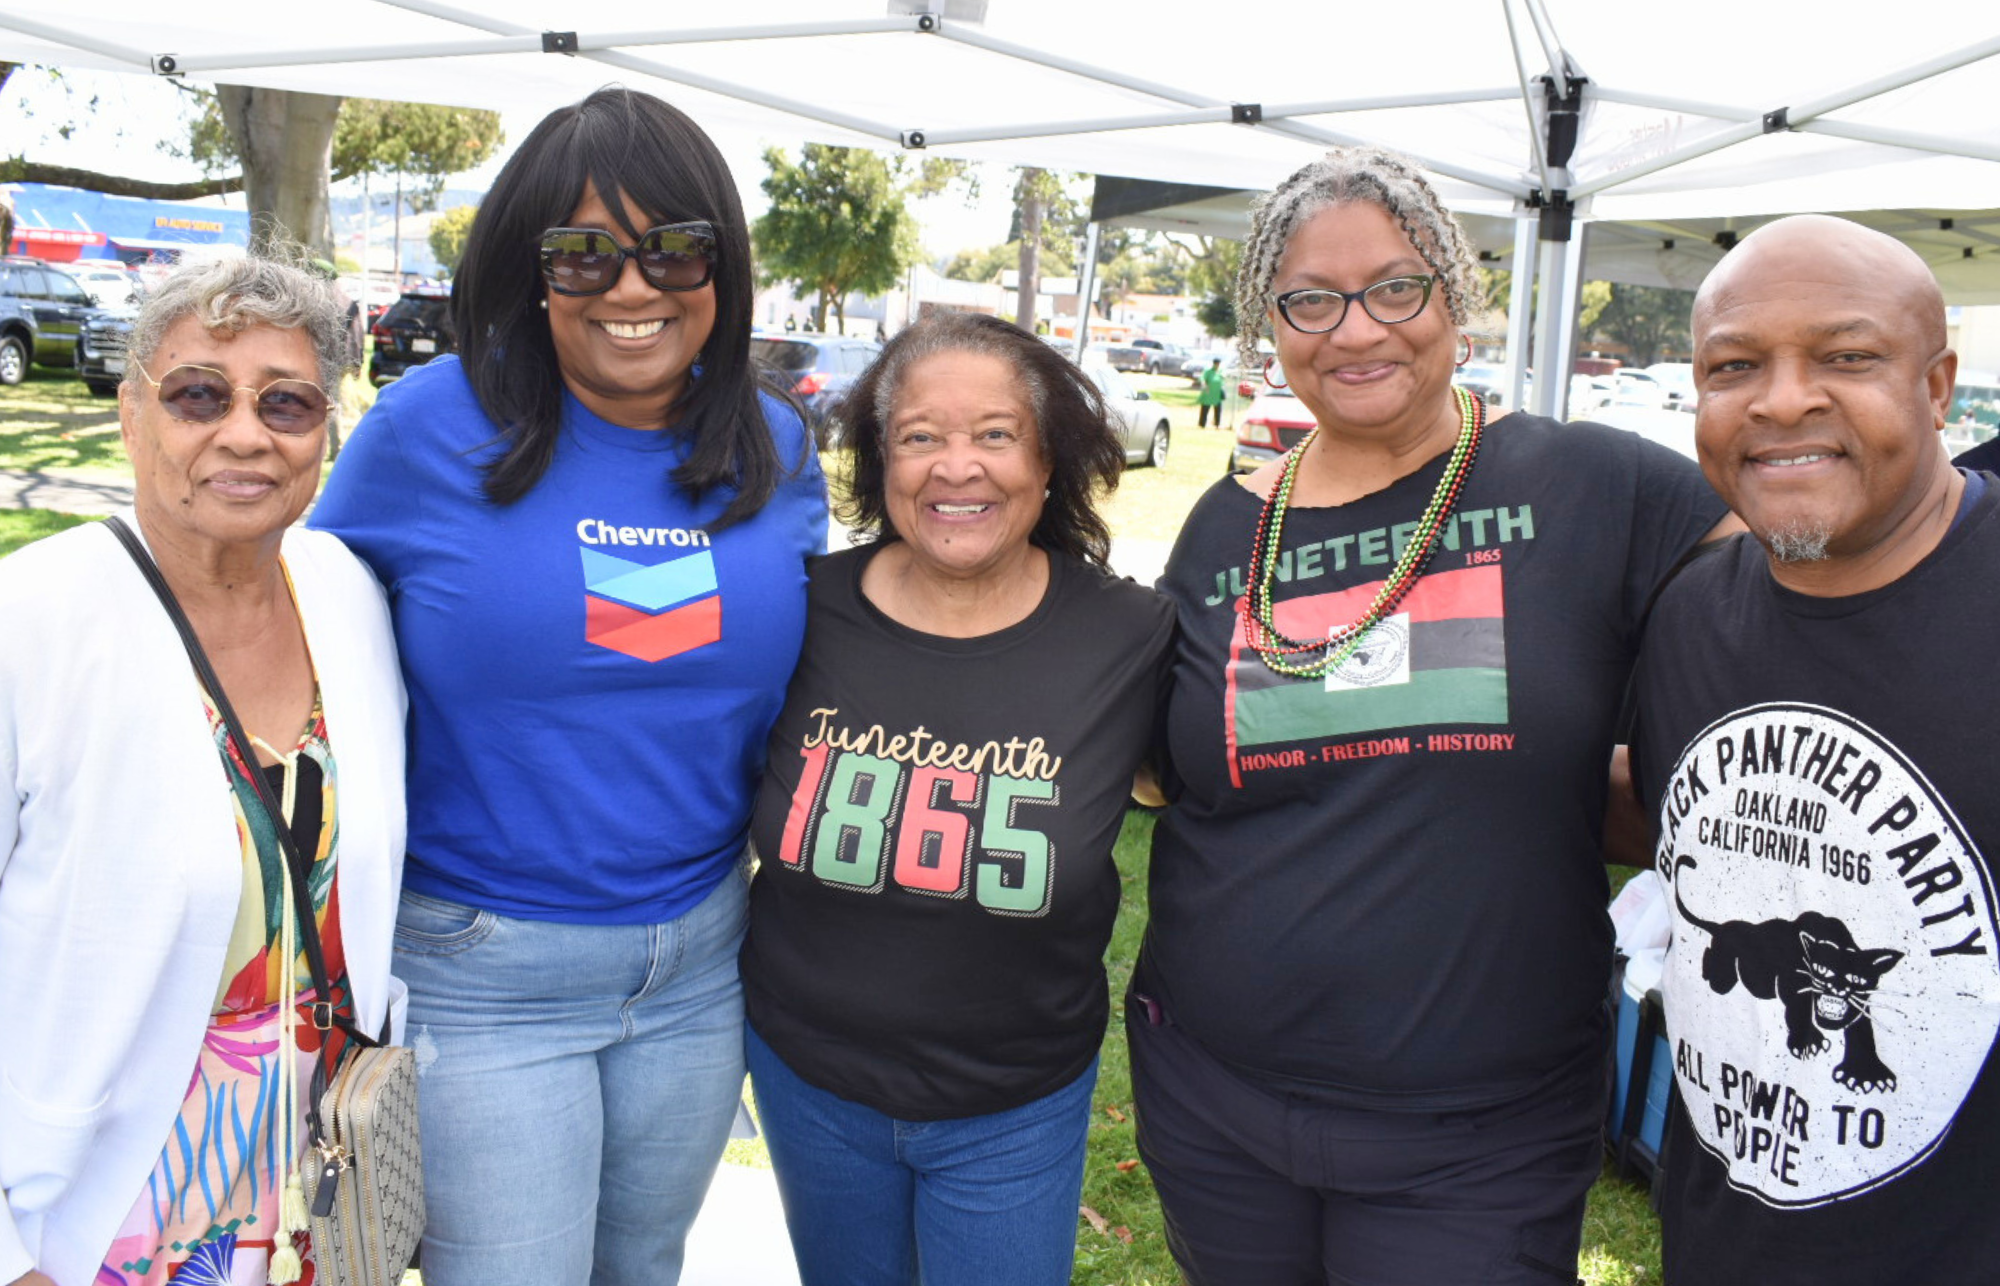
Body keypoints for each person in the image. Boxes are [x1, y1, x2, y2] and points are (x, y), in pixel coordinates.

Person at [1133, 144, 1733, 1286]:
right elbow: (1168, 758)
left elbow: (1809, 576)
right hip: (1211, 1097)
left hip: (1481, 1134)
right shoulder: (1225, 524)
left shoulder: (1597, 486)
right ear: (1271, 325)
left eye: (1394, 288)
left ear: (1454, 296)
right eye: (1310, 300)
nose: (1355, 330)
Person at [309, 87, 826, 1286]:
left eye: (673, 249)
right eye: (583, 252)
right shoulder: (425, 430)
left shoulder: (775, 443)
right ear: (529, 269)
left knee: (640, 1268)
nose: (631, 286)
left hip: (700, 958)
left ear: (722, 267)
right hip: (481, 967)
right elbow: (292, 632)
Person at [739, 312, 1174, 1286]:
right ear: (880, 460)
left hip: (1015, 1107)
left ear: (1048, 459)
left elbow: (1206, 790)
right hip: (809, 1083)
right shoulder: (800, 608)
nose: (956, 465)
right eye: (920, 435)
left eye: (995, 433)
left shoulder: (1130, 636)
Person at [0, 254, 407, 1286]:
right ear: (132, 415)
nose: (245, 433)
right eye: (198, 395)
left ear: (326, 430)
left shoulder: (347, 596)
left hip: (310, 1203)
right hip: (92, 1216)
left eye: (286, 402)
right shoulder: (29, 621)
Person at [1631, 215, 2000, 1285]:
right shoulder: (1688, 614)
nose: (1782, 400)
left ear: (1936, 387)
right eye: (1733, 366)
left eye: (1845, 357)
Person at [1197, 356, 1225, 427]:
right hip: (1208, 393)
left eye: (1218, 364)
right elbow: (1202, 378)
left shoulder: (1221, 371)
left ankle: (1217, 424)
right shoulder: (1208, 371)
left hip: (1217, 394)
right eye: (1216, 363)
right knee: (1205, 409)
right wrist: (1204, 384)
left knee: (1218, 410)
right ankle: (1202, 424)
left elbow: (1224, 378)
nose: (1217, 365)